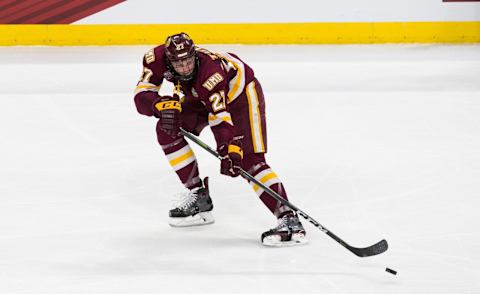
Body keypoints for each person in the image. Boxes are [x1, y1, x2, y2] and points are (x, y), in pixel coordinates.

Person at [134, 32, 307, 246]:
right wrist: (158, 105)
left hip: (240, 95)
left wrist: (229, 148)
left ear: (194, 55)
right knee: (166, 128)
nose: (185, 68)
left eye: (188, 61)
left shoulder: (209, 72)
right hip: (201, 95)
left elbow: (220, 117)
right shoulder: (155, 58)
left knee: (249, 160)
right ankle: (199, 197)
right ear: (169, 60)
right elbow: (141, 94)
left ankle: (289, 219)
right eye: (179, 63)